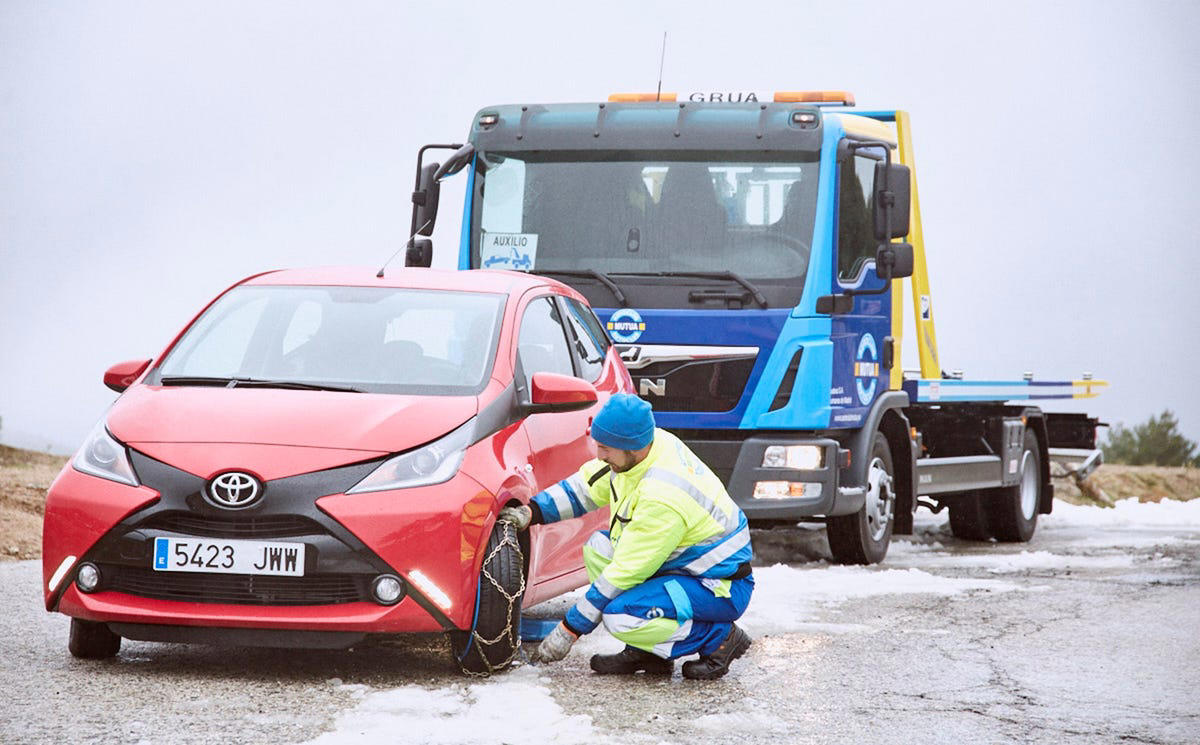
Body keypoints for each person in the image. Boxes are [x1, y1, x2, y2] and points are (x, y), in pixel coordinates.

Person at [499, 394, 754, 679]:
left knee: (621, 616)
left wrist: (569, 630)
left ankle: (719, 637)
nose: (600, 455)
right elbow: (585, 487)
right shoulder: (644, 447)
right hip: (684, 567)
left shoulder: (663, 497)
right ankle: (649, 653)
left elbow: (623, 574)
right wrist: (532, 512)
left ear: (632, 447)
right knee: (599, 547)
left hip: (718, 585)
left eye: (605, 448)